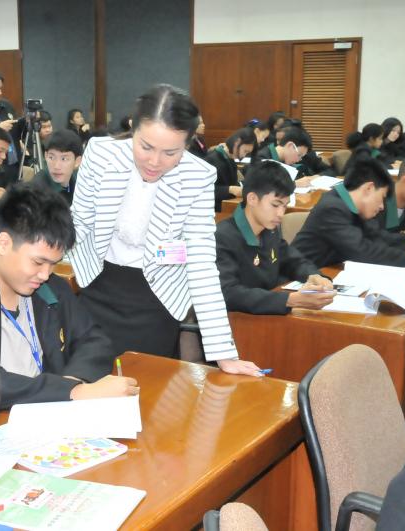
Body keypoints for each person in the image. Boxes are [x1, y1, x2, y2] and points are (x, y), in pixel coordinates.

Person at [70, 84, 262, 375]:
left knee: (148, 386)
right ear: (133, 127)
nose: (154, 161)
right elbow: (78, 223)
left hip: (158, 298)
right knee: (88, 381)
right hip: (97, 286)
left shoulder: (198, 176)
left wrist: (224, 353)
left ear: (188, 142)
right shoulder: (101, 154)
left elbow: (200, 261)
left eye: (171, 152)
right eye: (146, 147)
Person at [0, 183, 137, 406]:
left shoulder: (49, 287)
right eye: (38, 262)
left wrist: (72, 384)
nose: (45, 274)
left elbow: (94, 339)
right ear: (4, 243)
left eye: (53, 264)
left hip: (48, 410)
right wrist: (72, 392)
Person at [216, 161, 333, 315]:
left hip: (269, 315)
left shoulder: (269, 229)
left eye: (284, 206)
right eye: (275, 205)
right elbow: (228, 293)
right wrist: (290, 300)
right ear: (252, 198)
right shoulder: (222, 237)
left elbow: (292, 260)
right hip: (236, 320)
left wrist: (314, 275)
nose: (281, 214)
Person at [292, 158, 405, 267]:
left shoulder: (355, 208)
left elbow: (379, 238)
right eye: (382, 197)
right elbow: (360, 250)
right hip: (299, 281)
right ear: (369, 188)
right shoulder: (332, 208)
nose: (382, 206)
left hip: (328, 274)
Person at [205, 127, 255, 211]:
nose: (244, 156)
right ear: (237, 143)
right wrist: (229, 189)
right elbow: (205, 190)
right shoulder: (212, 159)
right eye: (245, 151)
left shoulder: (230, 160)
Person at [33, 130, 81, 205]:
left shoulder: (80, 184)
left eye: (64, 159)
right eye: (51, 157)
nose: (56, 166)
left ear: (77, 161)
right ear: (45, 156)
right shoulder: (36, 190)